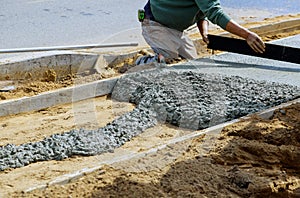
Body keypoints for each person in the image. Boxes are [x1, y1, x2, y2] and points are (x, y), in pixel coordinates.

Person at [136, 0, 266, 65]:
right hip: (154, 24)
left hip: (176, 30)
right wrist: (247, 35)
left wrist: (204, 33)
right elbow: (215, 13)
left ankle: (160, 53)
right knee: (169, 60)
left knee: (191, 63)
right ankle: (141, 62)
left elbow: (202, 13)